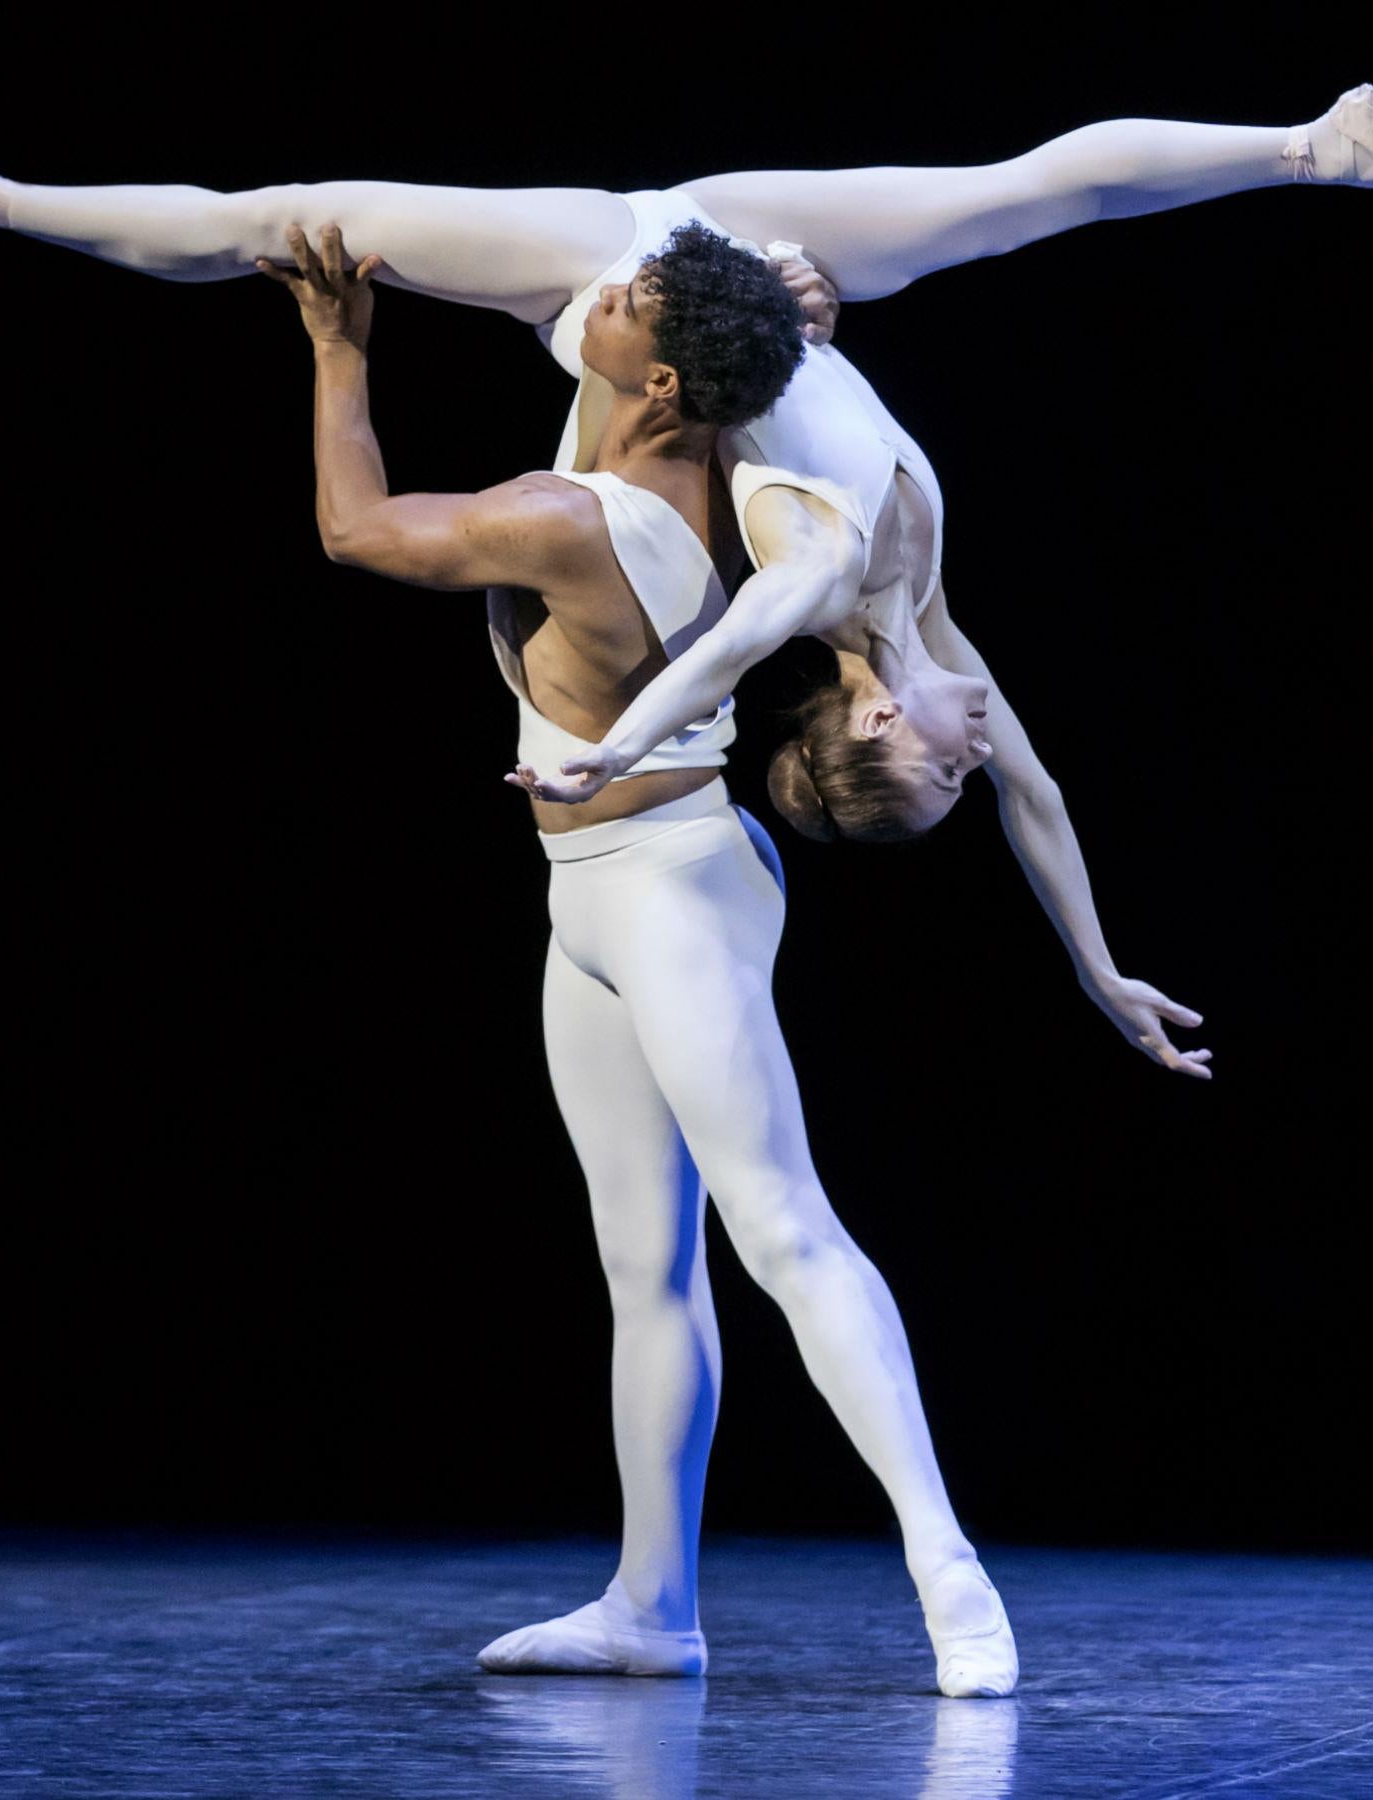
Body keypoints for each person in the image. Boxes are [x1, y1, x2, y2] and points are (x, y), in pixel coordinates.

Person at [0, 81, 1373, 857]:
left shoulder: (814, 593)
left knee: (275, 230)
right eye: (954, 769)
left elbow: (709, 664)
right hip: (764, 269)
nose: (969, 751)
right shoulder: (945, 649)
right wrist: (1104, 975)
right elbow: (1042, 812)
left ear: (866, 724)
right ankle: (1323, 146)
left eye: (927, 771)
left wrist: (598, 757)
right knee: (1020, 195)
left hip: (622, 285)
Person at [255, 211, 1021, 1697]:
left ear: (665, 381)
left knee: (783, 1230)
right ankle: (651, 1605)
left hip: (668, 885)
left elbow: (353, 532)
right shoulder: (696, 454)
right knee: (645, 1268)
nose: (596, 295)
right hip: (597, 892)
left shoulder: (569, 514)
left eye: (628, 302)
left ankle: (951, 1573)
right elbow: (711, 372)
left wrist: (338, 347)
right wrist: (782, 300)